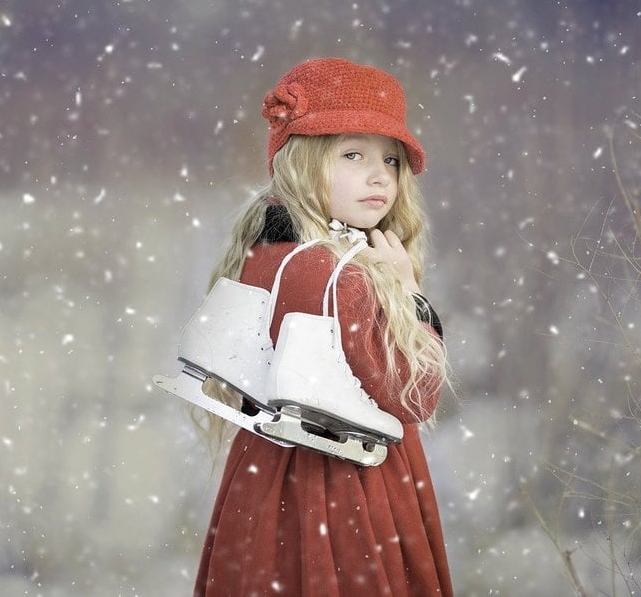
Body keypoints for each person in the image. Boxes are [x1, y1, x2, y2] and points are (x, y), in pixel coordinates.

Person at [194, 57, 452, 596]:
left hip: (265, 486)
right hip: (345, 496)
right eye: (353, 154)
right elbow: (413, 398)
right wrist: (412, 300)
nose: (380, 175)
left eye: (391, 160)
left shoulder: (266, 249)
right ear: (304, 162)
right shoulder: (336, 273)